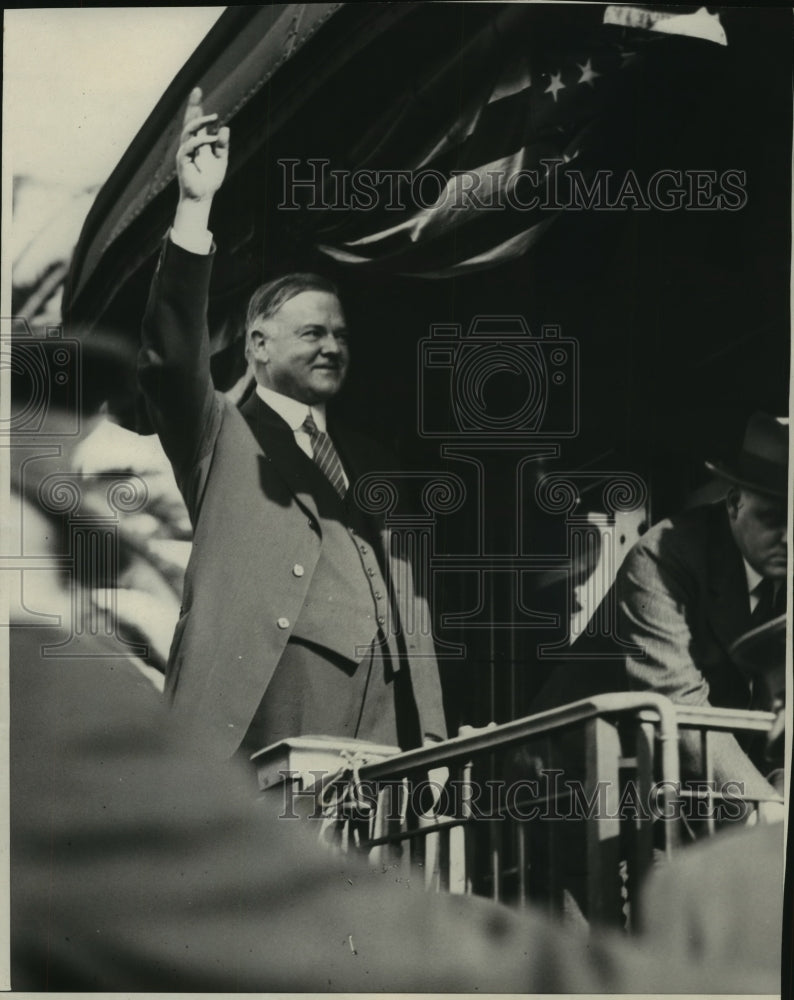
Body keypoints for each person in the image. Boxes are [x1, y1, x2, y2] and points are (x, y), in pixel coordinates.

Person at [137, 88, 446, 760]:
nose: (331, 346)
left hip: (392, 715)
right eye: (311, 332)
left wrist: (435, 737)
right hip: (276, 702)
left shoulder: (375, 459)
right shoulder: (221, 433)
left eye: (339, 334)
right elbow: (170, 359)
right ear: (257, 345)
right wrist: (194, 209)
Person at [616, 412, 788, 809]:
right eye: (774, 518)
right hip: (587, 791)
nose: (789, 538)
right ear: (733, 504)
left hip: (695, 797)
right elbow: (677, 702)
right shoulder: (660, 557)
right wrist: (767, 806)